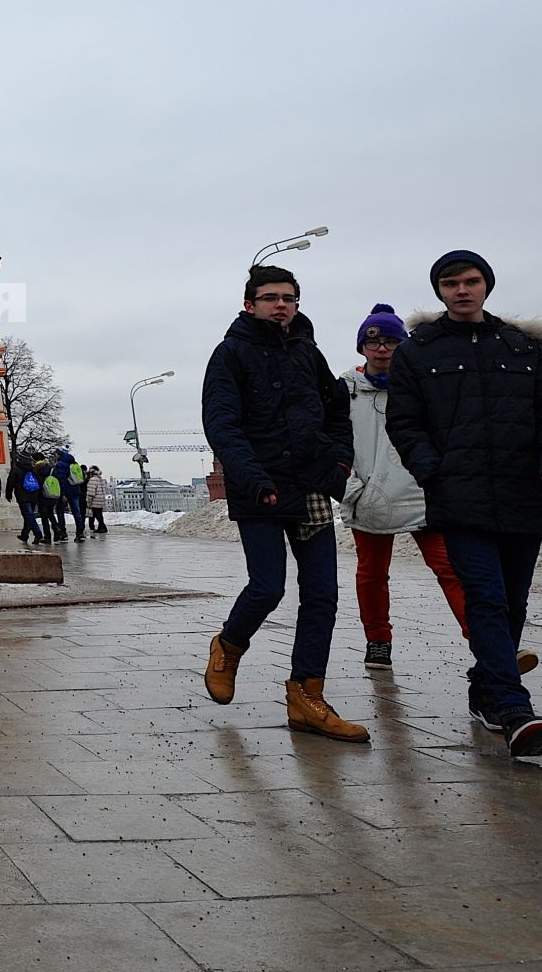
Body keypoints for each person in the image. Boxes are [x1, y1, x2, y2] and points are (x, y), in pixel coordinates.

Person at [386, 250, 542, 758]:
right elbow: (405, 423)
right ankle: (515, 709)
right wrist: (436, 471)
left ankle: (484, 687)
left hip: (524, 493)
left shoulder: (525, 347)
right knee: (487, 600)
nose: (462, 290)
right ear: (440, 291)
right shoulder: (418, 351)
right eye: (451, 283)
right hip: (460, 498)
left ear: (486, 285)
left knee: (512, 603)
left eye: (471, 281)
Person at [201, 264, 366, 743]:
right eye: (270, 297)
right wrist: (250, 477)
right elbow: (222, 424)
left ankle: (305, 698)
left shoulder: (307, 352)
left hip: (311, 484)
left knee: (323, 595)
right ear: (249, 304)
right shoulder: (230, 354)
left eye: (289, 297)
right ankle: (229, 645)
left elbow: (338, 410)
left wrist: (338, 462)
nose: (281, 305)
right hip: (260, 489)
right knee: (268, 586)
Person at [341, 303, 472, 672]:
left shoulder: (423, 384)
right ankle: (377, 641)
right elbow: (331, 442)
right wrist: (350, 487)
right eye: (374, 342)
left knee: (450, 568)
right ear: (362, 348)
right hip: (370, 495)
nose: (382, 349)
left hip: (422, 491)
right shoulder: (344, 391)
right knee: (371, 573)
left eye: (391, 342)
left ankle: (482, 638)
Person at [53, 448, 89, 542]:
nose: (54, 456)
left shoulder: (61, 464)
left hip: (66, 491)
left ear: (59, 454)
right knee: (77, 512)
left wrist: (63, 494)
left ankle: (63, 533)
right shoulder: (74, 463)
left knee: (60, 511)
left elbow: (62, 479)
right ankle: (80, 533)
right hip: (76, 490)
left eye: (55, 454)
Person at [33, 457, 61, 547]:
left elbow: (38, 485)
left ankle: (47, 537)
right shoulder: (52, 470)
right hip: (53, 496)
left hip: (43, 496)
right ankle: (56, 528)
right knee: (51, 514)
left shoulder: (37, 471)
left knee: (44, 518)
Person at [85, 466, 109, 535]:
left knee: (96, 514)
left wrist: (88, 500)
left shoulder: (92, 480)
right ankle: (101, 527)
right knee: (99, 514)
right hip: (101, 499)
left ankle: (103, 527)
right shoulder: (100, 479)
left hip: (95, 500)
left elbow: (91, 492)